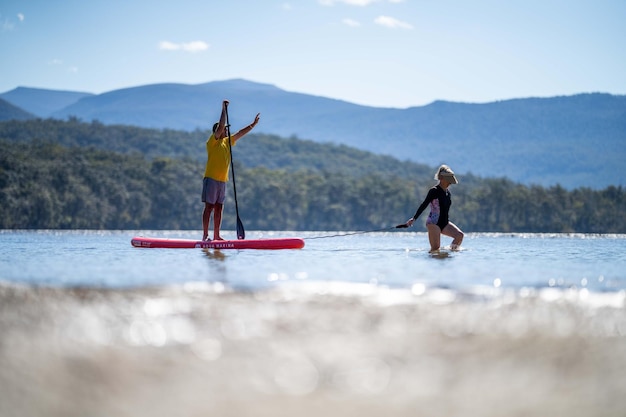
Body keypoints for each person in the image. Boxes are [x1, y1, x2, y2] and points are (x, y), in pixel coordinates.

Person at [202, 100, 260, 241]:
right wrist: (223, 108)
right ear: (218, 131)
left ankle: (216, 235)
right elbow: (221, 125)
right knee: (209, 207)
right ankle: (205, 235)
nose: (226, 130)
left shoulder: (228, 142)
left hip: (222, 181)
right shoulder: (213, 142)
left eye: (226, 129)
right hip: (211, 178)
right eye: (224, 129)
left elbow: (240, 133)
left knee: (219, 208)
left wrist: (252, 125)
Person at [404, 164, 464, 252]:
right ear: (442, 178)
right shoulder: (434, 191)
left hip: (445, 223)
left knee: (459, 235)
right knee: (435, 249)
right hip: (433, 223)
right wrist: (414, 218)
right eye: (448, 180)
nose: (450, 183)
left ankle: (451, 252)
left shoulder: (448, 193)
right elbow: (424, 204)